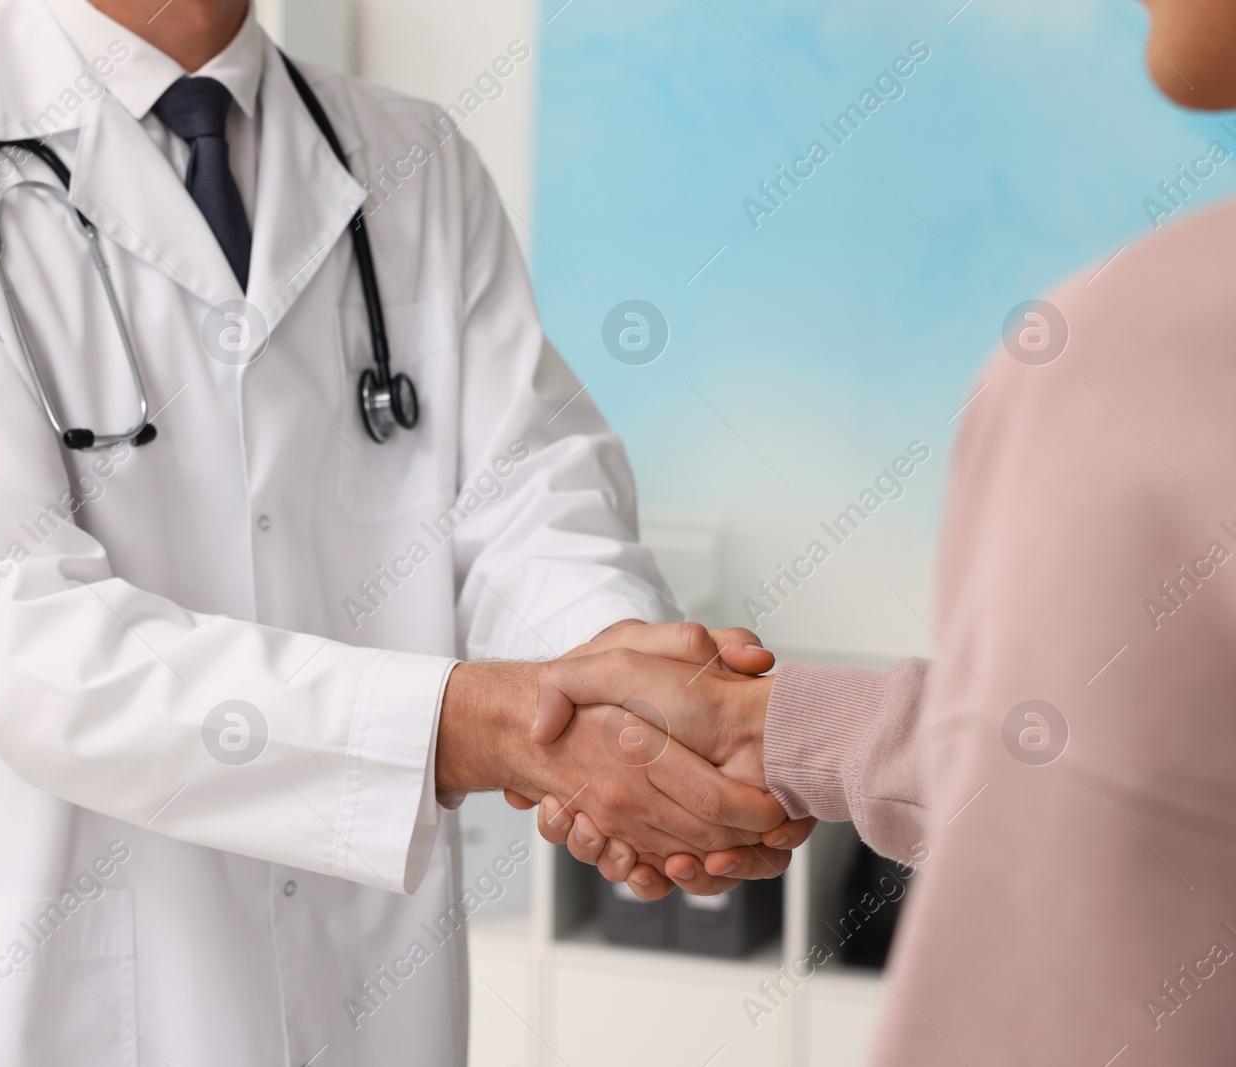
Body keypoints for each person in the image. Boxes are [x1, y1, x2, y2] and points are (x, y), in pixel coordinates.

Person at [0, 0, 812, 1063]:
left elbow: (531, 496)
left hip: (365, 979)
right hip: (67, 982)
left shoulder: (415, 157)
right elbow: (20, 638)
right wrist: (485, 728)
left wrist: (634, 725)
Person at [523, 0, 1236, 1060]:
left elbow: (1057, 959)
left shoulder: (1130, 364)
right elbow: (1118, 783)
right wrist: (770, 729)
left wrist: (505, 724)